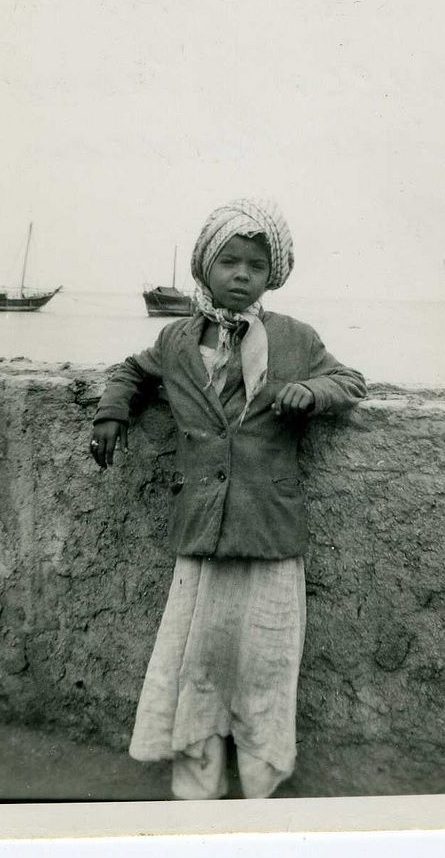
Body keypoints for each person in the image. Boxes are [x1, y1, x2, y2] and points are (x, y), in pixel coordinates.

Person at [89, 198, 366, 800]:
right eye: (229, 262)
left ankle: (261, 783)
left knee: (266, 660)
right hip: (203, 530)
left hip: (268, 526)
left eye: (256, 267)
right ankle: (198, 786)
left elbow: (350, 381)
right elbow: (131, 373)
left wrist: (310, 392)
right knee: (197, 660)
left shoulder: (296, 337)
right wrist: (112, 413)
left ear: (274, 276)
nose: (242, 275)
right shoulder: (176, 339)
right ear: (204, 267)